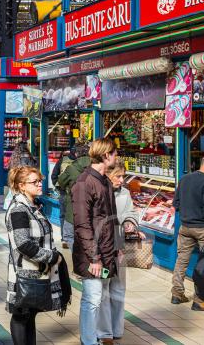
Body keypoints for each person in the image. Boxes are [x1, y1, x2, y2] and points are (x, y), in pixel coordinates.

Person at [5, 166, 70, 345]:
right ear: (21, 186)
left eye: (40, 180)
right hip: (25, 274)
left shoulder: (33, 206)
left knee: (29, 314)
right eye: (35, 182)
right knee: (21, 314)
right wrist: (52, 257)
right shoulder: (19, 209)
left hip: (36, 272)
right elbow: (23, 244)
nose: (40, 184)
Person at [72, 138, 120, 345]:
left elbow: (112, 217)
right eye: (114, 153)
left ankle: (101, 335)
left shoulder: (105, 181)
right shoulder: (84, 183)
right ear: (105, 155)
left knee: (102, 296)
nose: (117, 157)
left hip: (108, 250)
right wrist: (94, 257)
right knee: (92, 298)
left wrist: (118, 246)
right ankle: (89, 340)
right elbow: (82, 224)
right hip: (92, 254)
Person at [98, 158, 144, 344]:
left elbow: (131, 212)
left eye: (123, 176)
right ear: (107, 175)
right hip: (102, 248)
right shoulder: (98, 192)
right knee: (102, 290)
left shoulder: (124, 192)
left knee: (118, 288)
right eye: (118, 176)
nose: (121, 180)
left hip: (119, 246)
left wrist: (130, 224)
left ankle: (117, 328)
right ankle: (104, 332)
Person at [171, 158, 204, 305]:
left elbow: (176, 203)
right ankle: (199, 299)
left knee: (181, 261)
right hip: (202, 228)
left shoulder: (184, 179)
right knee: (202, 263)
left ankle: (177, 294)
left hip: (185, 227)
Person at [56, 145, 91, 249]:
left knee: (69, 235)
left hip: (73, 206)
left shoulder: (71, 168)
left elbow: (61, 182)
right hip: (92, 208)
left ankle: (76, 256)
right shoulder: (97, 167)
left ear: (76, 154)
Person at [51, 145, 79, 248]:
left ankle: (65, 238)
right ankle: (68, 238)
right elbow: (54, 176)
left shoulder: (63, 160)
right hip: (68, 193)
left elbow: (54, 176)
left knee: (64, 216)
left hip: (64, 193)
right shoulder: (83, 163)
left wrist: (59, 188)